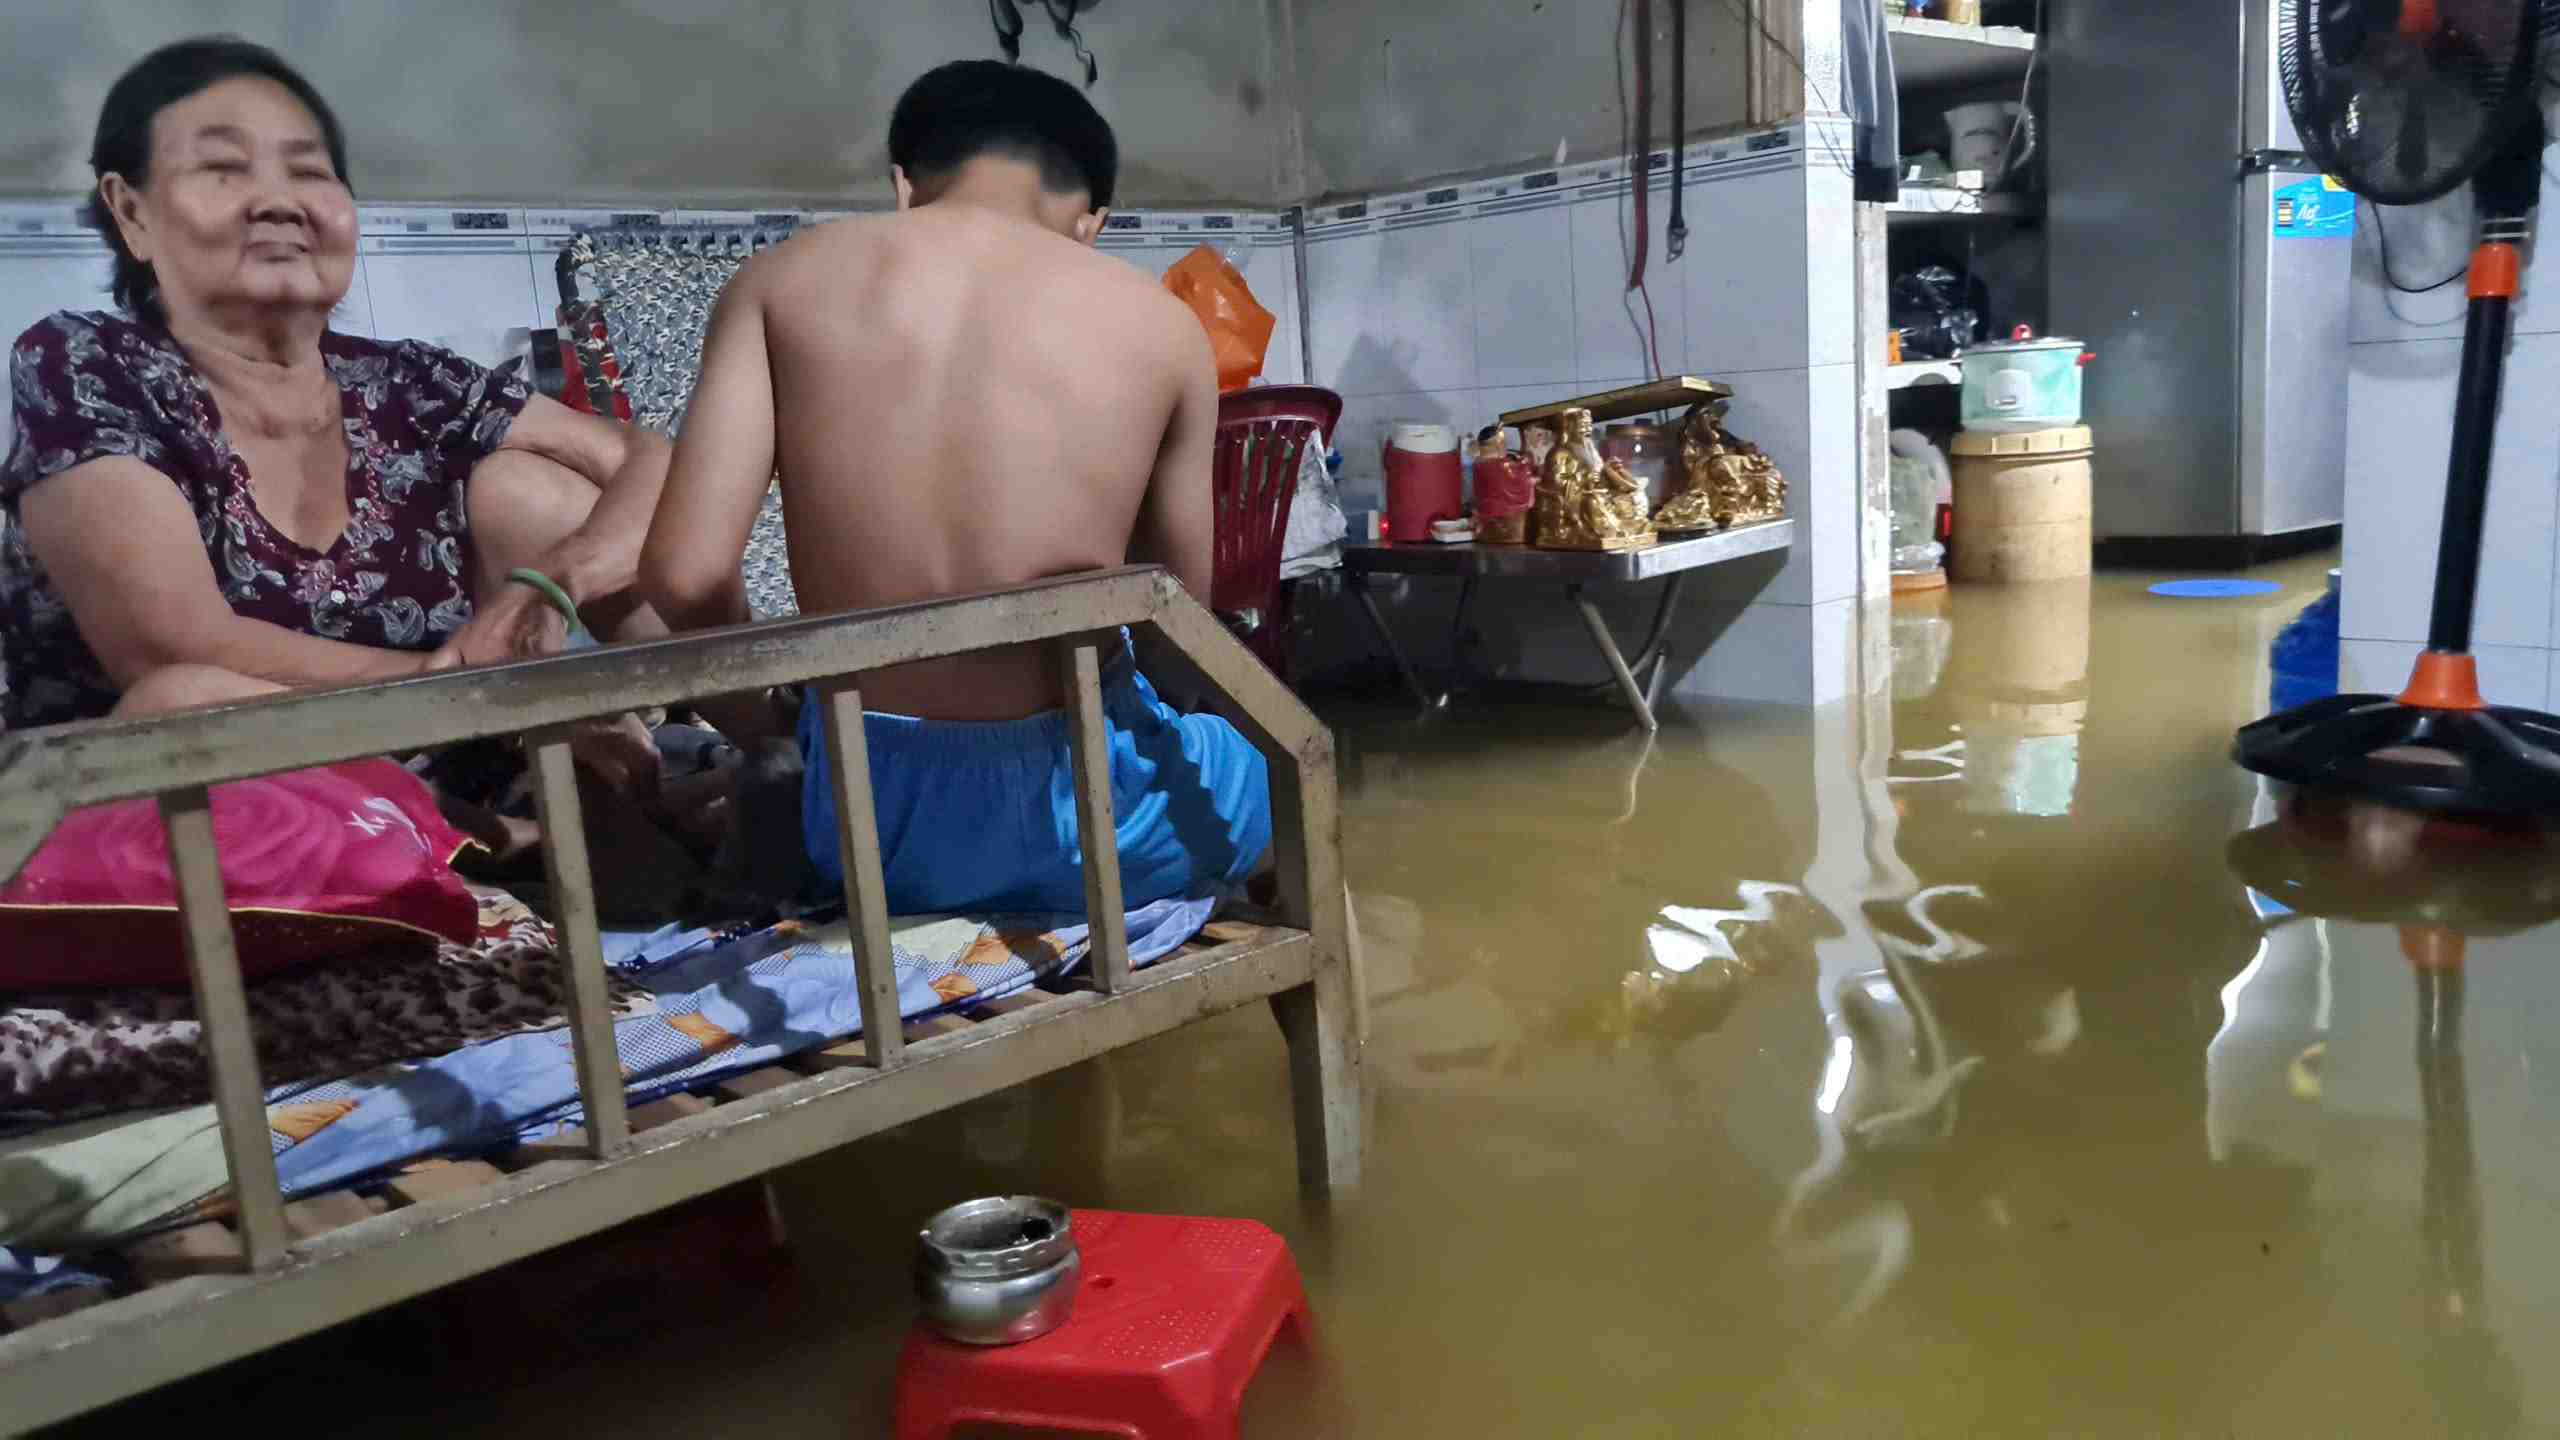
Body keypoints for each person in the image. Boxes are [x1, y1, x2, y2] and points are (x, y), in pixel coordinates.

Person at [638, 59, 1269, 916]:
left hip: (865, 823)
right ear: (1091, 220)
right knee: (1276, 770)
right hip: (1091, 814)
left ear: (904, 184)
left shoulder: (776, 284)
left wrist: (777, 736)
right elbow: (1178, 627)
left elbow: (682, 575)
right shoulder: (1163, 326)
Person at [0, 36, 669, 803]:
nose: (279, 201)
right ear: (132, 212)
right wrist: (480, 693)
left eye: (310, 172)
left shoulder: (408, 381)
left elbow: (648, 459)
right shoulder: (87, 364)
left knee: (534, 493)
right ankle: (494, 835)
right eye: (223, 169)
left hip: (465, 764)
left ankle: (758, 754)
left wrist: (550, 584)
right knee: (185, 699)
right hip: (209, 809)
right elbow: (169, 650)